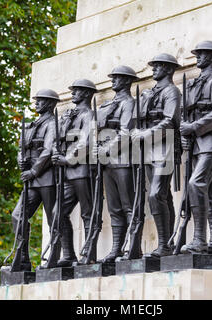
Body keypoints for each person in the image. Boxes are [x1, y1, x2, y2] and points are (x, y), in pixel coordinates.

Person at [179, 40, 212, 255]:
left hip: (211, 140)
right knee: (210, 191)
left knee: (196, 183)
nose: (197, 57)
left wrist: (193, 127)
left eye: (201, 54)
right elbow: (186, 112)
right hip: (196, 143)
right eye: (197, 53)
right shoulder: (193, 83)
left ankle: (199, 239)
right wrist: (184, 132)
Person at [131, 53, 181, 258]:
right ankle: (167, 243)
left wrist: (144, 134)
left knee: (155, 195)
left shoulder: (172, 92)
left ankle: (164, 244)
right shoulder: (150, 93)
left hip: (165, 146)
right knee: (163, 196)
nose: (154, 69)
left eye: (159, 66)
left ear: (168, 69)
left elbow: (169, 121)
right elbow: (138, 119)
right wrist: (144, 101)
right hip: (150, 150)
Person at [11, 88, 59, 271]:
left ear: (49, 103)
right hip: (31, 180)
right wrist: (20, 161)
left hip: (46, 178)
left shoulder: (52, 124)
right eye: (37, 100)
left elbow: (48, 151)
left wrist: (33, 171)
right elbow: (21, 148)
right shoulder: (32, 124)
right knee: (17, 215)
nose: (36, 103)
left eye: (40, 100)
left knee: (52, 219)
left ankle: (55, 256)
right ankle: (22, 256)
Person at [93, 66, 138, 262]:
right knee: (114, 209)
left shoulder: (128, 103)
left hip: (123, 161)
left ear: (127, 81)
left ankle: (133, 247)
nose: (113, 81)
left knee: (129, 206)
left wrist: (105, 150)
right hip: (107, 163)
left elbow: (126, 132)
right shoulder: (108, 104)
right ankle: (116, 248)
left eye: (117, 78)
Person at [51, 79, 97, 266]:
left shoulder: (89, 115)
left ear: (86, 93)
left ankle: (89, 253)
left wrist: (67, 159)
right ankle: (68, 254)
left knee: (88, 213)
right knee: (57, 212)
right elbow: (57, 138)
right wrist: (55, 152)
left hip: (82, 170)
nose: (72, 93)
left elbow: (85, 142)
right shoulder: (69, 116)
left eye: (77, 90)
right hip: (68, 173)